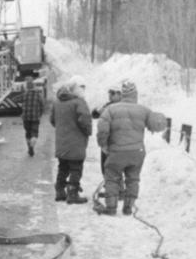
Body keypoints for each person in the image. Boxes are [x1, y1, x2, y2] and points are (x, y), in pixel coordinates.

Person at [95, 80, 166, 215]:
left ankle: (111, 208)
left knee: (112, 177)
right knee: (133, 178)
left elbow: (102, 129)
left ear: (122, 94)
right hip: (136, 152)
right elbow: (157, 124)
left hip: (116, 152)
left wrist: (103, 145)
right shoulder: (144, 110)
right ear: (135, 94)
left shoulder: (111, 109)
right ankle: (128, 208)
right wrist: (162, 120)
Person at [50, 75, 92, 204]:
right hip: (76, 143)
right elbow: (85, 120)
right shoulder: (79, 102)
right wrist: (88, 132)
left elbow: (52, 121)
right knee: (76, 168)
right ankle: (72, 193)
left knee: (63, 167)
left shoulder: (57, 102)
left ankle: (60, 192)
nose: (83, 90)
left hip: (61, 143)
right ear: (76, 88)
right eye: (82, 87)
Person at [21, 76, 45, 156]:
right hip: (35, 117)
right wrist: (40, 114)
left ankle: (29, 148)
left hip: (26, 118)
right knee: (34, 133)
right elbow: (42, 105)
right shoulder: (38, 95)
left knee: (28, 133)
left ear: (27, 87)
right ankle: (32, 146)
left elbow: (22, 105)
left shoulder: (24, 95)